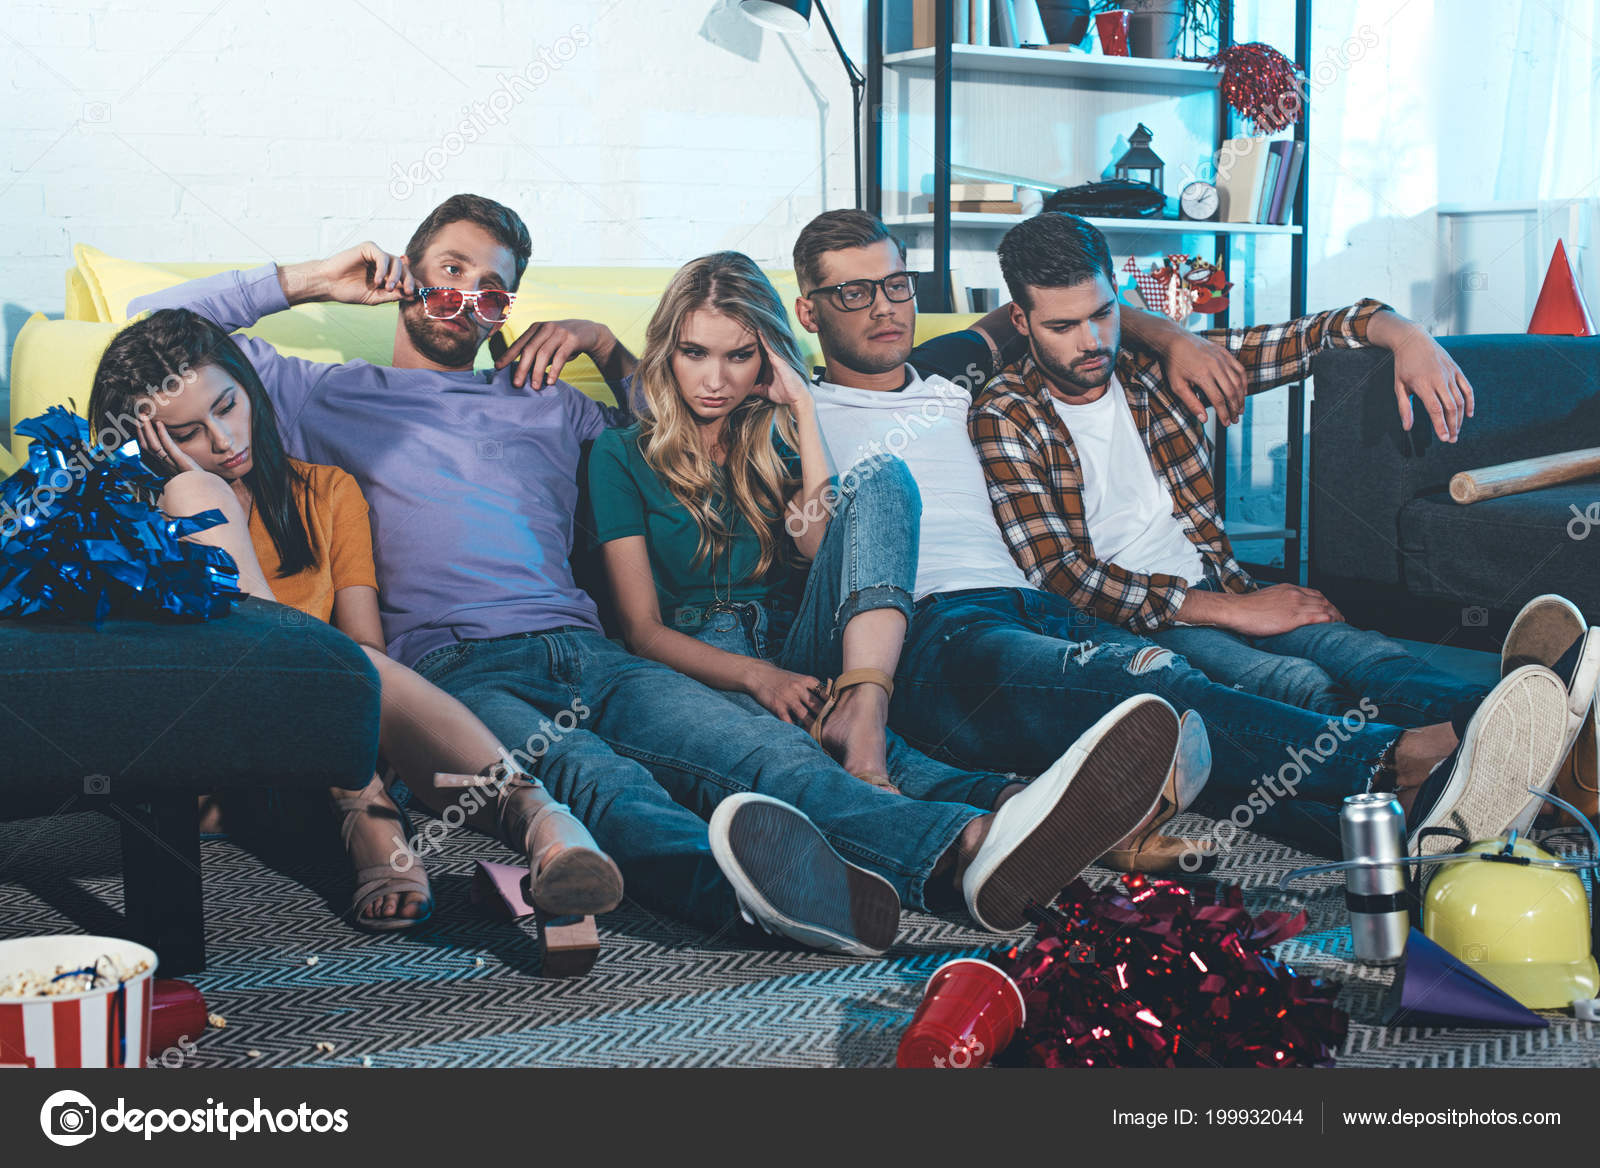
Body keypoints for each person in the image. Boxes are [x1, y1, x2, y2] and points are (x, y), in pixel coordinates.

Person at [126, 193, 1185, 952]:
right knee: (609, 792)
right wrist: (309, 277)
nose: (467, 296)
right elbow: (156, 345)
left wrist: (599, 341)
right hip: (454, 665)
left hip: (587, 640)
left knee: (756, 754)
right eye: (449, 268)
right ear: (408, 272)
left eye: (493, 287)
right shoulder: (326, 393)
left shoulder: (555, 403)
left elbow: (685, 422)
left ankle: (959, 853)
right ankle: (771, 899)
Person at [787, 208, 1582, 858]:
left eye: (894, 283)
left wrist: (1395, 332)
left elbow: (1295, 336)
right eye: (854, 294)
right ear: (810, 311)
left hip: (1064, 601)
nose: (885, 305)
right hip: (988, 623)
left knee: (1354, 656)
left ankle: (1535, 735)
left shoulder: (955, 376)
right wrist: (790, 404)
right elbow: (1056, 567)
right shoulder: (938, 409)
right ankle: (1423, 757)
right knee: (1233, 689)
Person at [586, 250, 1211, 870]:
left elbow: (815, 543)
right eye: (695, 353)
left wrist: (802, 408)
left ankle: (868, 712)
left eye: (738, 355)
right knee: (883, 762)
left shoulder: (776, 437)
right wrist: (756, 677)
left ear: (766, 358)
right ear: (667, 351)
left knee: (884, 473)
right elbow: (642, 631)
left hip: (803, 645)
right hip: (706, 661)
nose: (715, 380)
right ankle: (1048, 825)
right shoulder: (620, 455)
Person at [85, 308, 624, 932]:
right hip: (213, 753)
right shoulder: (133, 522)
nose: (226, 440)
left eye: (228, 406)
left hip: (329, 741)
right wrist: (179, 490)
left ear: (247, 385)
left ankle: (532, 819)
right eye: (187, 432)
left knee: (350, 663)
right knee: (201, 506)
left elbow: (366, 646)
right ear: (143, 441)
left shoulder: (328, 492)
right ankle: (414, 822)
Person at [969, 209, 1492, 730]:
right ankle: (1419, 765)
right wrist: (1233, 611)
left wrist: (1407, 337)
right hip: (1131, 623)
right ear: (1021, 320)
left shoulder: (1157, 369)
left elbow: (1311, 337)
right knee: (1291, 682)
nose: (1092, 342)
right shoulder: (1006, 412)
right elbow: (1061, 575)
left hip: (1221, 583)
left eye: (1103, 314)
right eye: (1062, 326)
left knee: (1366, 655)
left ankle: (1527, 723)